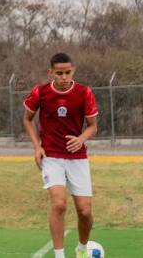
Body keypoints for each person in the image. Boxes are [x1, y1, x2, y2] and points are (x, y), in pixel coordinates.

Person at [22, 52, 99, 258]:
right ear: (51, 73)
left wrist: (81, 139)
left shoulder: (84, 93)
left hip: (78, 158)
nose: (64, 77)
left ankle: (82, 250)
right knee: (58, 203)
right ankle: (59, 255)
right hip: (52, 156)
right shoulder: (40, 92)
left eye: (67, 72)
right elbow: (27, 119)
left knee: (85, 211)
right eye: (59, 73)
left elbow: (92, 126)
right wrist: (37, 147)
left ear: (73, 70)